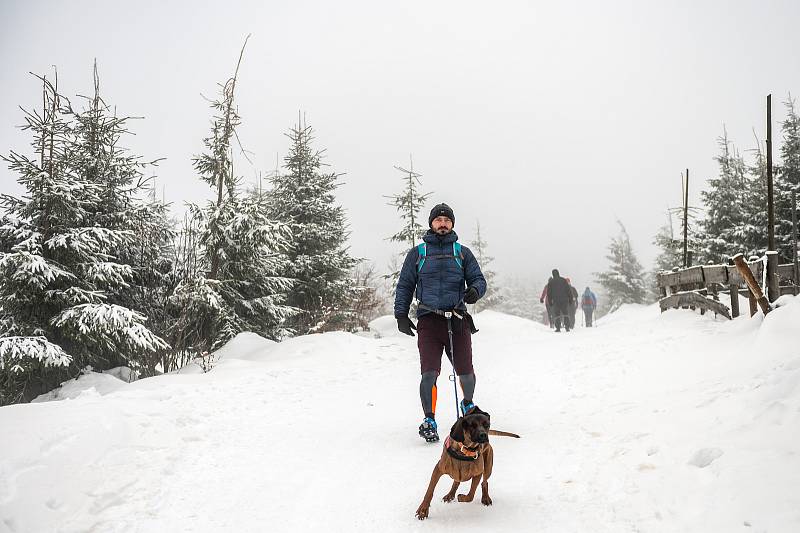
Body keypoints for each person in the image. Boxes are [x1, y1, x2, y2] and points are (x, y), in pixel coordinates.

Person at [394, 203, 487, 443]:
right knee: (428, 374)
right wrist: (401, 315)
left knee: (466, 372)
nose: (443, 223)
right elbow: (405, 285)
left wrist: (475, 290)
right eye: (438, 220)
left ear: (452, 224)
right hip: (429, 320)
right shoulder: (418, 254)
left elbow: (478, 278)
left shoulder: (462, 253)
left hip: (457, 320)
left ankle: (468, 405)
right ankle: (429, 420)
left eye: (447, 220)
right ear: (431, 224)